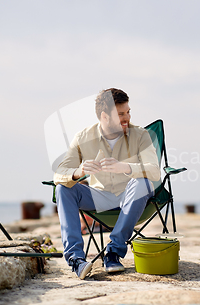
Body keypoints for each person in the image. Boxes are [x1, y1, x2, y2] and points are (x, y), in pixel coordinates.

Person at [54, 88, 160, 280]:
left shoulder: (141, 135)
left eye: (128, 112)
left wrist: (125, 167)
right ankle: (77, 260)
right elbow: (59, 173)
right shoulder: (83, 137)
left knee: (142, 183)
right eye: (121, 114)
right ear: (104, 116)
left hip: (131, 195)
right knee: (63, 188)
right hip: (99, 197)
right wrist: (80, 172)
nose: (127, 117)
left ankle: (113, 252)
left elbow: (154, 170)